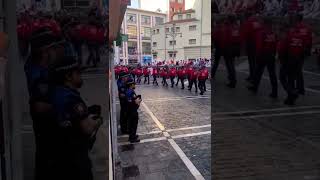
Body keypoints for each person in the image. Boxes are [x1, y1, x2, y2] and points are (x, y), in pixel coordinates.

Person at [50, 57, 102, 180]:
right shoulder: (71, 98)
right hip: (74, 156)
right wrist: (98, 121)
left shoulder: (56, 92)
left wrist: (87, 112)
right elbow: (87, 129)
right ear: (68, 76)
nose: (81, 76)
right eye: (78, 73)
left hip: (60, 154)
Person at [24, 28, 65, 180]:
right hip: (45, 119)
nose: (56, 51)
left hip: (48, 116)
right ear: (44, 51)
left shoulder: (41, 66)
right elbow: (39, 106)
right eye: (52, 48)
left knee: (47, 153)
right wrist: (61, 106)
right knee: (47, 153)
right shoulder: (37, 73)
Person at [248, 18, 278, 98]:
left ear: (265, 24)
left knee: (258, 72)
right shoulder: (273, 34)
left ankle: (255, 87)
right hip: (271, 55)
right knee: (272, 74)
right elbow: (275, 45)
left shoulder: (263, 33)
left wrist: (258, 54)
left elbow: (259, 45)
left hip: (263, 55)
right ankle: (275, 91)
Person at [294, 14, 312, 95]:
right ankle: (299, 88)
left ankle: (300, 88)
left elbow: (294, 39)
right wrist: (308, 50)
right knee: (298, 69)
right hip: (305, 49)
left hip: (298, 50)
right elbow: (310, 39)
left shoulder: (297, 28)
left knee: (297, 70)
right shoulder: (307, 28)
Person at [241, 12, 262, 82]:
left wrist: (243, 44)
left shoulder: (248, 22)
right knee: (254, 60)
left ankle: (252, 76)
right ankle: (254, 75)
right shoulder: (257, 22)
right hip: (257, 42)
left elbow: (245, 33)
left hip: (250, 43)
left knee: (251, 61)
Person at [126, 79, 142, 143]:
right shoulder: (131, 92)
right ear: (131, 85)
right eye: (133, 84)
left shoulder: (128, 91)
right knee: (133, 124)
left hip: (129, 110)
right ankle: (132, 138)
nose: (134, 85)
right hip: (132, 110)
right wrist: (139, 100)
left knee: (131, 124)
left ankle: (132, 135)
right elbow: (135, 101)